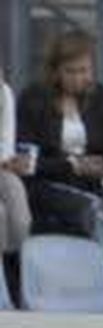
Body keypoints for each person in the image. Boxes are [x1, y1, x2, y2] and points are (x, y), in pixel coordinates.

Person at [17, 30, 103, 239]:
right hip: (44, 188)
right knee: (91, 211)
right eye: (70, 72)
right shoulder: (33, 99)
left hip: (89, 189)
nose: (78, 78)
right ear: (55, 71)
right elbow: (26, 163)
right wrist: (74, 165)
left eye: (84, 71)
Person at [1, 62, 31, 259]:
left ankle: (16, 264)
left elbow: (6, 140)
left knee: (19, 213)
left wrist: (8, 161)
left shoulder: (5, 93)